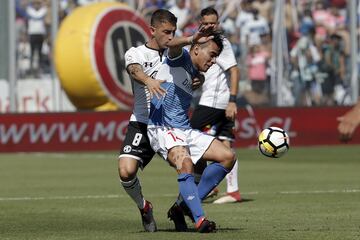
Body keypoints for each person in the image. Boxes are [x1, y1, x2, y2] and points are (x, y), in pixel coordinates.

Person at [118, 9, 203, 233]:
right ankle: (144, 207)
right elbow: (134, 70)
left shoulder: (175, 54)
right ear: (152, 30)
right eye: (166, 32)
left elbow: (194, 69)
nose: (170, 36)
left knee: (192, 167)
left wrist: (198, 78)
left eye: (173, 32)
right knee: (126, 171)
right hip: (143, 122)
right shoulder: (136, 53)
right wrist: (148, 81)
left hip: (170, 124)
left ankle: (179, 207)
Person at [147, 25, 237, 233]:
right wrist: (191, 38)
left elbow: (193, 77)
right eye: (212, 55)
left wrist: (201, 78)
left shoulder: (195, 71)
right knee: (186, 164)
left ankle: (181, 207)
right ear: (196, 48)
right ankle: (200, 220)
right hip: (162, 127)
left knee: (227, 156)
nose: (214, 61)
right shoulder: (180, 58)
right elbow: (170, 44)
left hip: (183, 129)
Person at [190, 7, 242, 204]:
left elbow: (234, 71)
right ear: (200, 22)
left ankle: (205, 185)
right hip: (211, 99)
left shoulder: (221, 43)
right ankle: (232, 190)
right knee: (224, 143)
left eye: (214, 22)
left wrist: (232, 100)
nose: (211, 26)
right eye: (207, 23)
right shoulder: (197, 41)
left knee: (189, 138)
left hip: (215, 102)